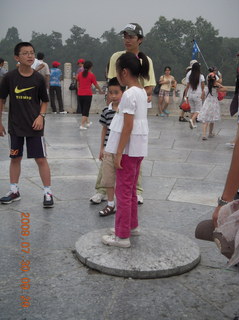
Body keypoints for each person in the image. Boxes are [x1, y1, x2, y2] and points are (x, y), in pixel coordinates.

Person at [101, 51, 149, 248]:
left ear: (124, 72)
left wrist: (118, 152)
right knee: (130, 191)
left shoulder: (129, 94)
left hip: (128, 151)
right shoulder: (141, 91)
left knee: (123, 191)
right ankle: (131, 226)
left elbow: (127, 126)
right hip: (137, 149)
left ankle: (122, 236)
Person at [106, 23, 156, 205]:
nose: (127, 40)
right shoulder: (116, 57)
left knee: (132, 155)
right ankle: (105, 189)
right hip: (118, 107)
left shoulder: (145, 60)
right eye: (125, 36)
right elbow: (113, 82)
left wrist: (137, 95)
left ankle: (135, 190)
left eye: (131, 36)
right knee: (109, 148)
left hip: (135, 110)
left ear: (140, 40)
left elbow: (149, 86)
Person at [0, 42, 54, 208]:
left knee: (40, 159)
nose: (30, 56)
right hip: (15, 127)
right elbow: (1, 100)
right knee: (15, 158)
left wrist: (41, 116)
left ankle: (47, 192)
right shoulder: (9, 77)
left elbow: (45, 101)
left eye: (32, 53)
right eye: (25, 53)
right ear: (17, 57)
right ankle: (14, 190)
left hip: (35, 127)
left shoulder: (38, 78)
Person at [98, 77, 125, 216]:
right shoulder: (106, 111)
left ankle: (122, 204)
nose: (113, 96)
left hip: (122, 151)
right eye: (111, 93)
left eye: (116, 92)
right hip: (108, 149)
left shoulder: (126, 111)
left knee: (122, 179)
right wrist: (102, 148)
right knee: (108, 178)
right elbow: (104, 129)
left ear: (123, 93)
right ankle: (110, 204)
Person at [197, 72, 227, 140]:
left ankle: (204, 135)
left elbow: (202, 97)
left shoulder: (206, 87)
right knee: (212, 119)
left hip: (207, 103)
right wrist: (218, 85)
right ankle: (210, 133)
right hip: (214, 103)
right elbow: (225, 89)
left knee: (205, 120)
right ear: (214, 80)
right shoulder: (216, 87)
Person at [77, 60, 103, 130]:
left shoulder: (79, 74)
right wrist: (100, 90)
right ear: (90, 67)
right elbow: (96, 84)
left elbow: (78, 84)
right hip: (87, 94)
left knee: (83, 110)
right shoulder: (91, 75)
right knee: (86, 110)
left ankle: (87, 122)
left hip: (80, 94)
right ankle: (82, 125)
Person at [185, 62, 205, 129]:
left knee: (192, 110)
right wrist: (203, 93)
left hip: (190, 94)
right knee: (198, 110)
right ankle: (192, 120)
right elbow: (202, 86)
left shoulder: (190, 76)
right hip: (198, 94)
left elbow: (187, 86)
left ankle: (193, 124)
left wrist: (185, 95)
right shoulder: (201, 76)